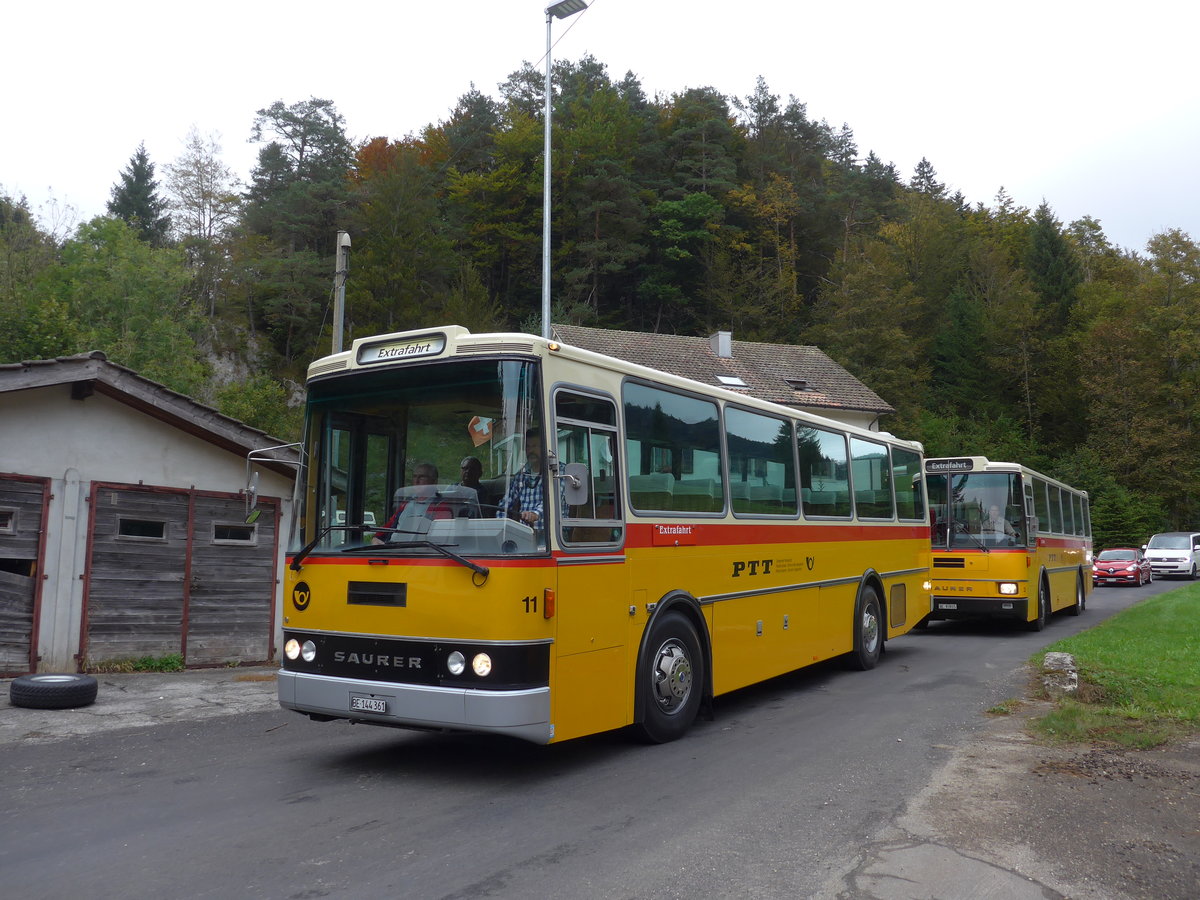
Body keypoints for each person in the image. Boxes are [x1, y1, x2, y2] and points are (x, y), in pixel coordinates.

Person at [373, 463, 454, 542]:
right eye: (414, 477)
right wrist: (377, 538)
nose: (416, 481)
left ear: (434, 481)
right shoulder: (407, 502)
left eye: (422, 477)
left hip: (416, 552)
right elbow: (391, 524)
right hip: (391, 549)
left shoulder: (441, 506)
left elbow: (438, 540)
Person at [497, 429, 548, 527]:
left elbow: (551, 502)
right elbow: (505, 503)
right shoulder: (521, 476)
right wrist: (500, 523)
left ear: (544, 447)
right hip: (525, 533)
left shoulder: (558, 472)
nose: (531, 451)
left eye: (534, 446)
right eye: (527, 447)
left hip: (550, 533)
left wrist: (535, 514)